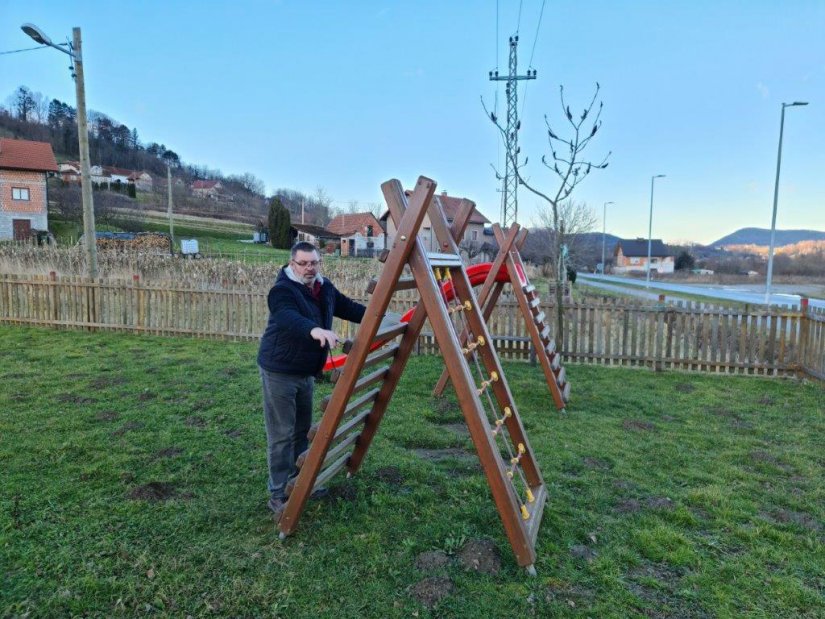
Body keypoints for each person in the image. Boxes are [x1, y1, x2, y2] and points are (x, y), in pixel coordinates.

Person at [257, 241, 366, 519]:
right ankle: (279, 492)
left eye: (314, 262)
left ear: (319, 263)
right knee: (281, 434)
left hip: (305, 372)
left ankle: (300, 482)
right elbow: (287, 317)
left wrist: (381, 318)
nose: (309, 268)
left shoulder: (323, 286)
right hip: (279, 370)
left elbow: (350, 308)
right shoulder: (282, 290)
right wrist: (314, 329)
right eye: (303, 263)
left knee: (302, 430)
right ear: (292, 264)